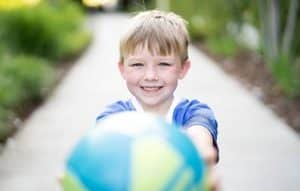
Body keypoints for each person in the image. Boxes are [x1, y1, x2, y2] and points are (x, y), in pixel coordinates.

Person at [96, 10, 219, 188]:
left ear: (183, 68)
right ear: (122, 69)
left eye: (164, 64)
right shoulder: (114, 116)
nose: (151, 76)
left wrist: (199, 149)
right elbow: (103, 146)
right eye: (138, 64)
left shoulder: (194, 112)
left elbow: (199, 134)